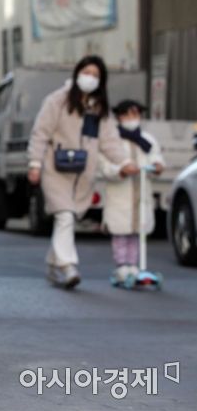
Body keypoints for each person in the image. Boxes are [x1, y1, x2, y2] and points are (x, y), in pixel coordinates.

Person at [27, 55, 138, 289]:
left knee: (67, 218)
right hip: (55, 169)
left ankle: (53, 263)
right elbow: (41, 133)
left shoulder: (99, 110)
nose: (90, 78)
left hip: (83, 174)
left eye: (96, 75)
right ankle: (68, 266)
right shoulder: (57, 101)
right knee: (64, 215)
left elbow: (110, 142)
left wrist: (124, 162)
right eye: (87, 73)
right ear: (77, 74)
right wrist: (35, 164)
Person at [99, 100, 165, 283]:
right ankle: (122, 266)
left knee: (137, 231)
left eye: (135, 114)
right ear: (119, 117)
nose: (132, 118)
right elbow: (104, 166)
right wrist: (119, 171)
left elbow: (156, 156)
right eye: (128, 114)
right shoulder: (113, 141)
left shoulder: (147, 139)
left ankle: (135, 266)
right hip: (121, 193)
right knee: (121, 231)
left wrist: (158, 166)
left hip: (141, 192)